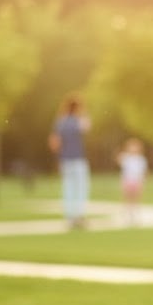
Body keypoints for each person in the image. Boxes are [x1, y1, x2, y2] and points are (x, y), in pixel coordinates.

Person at [48, 95, 90, 230]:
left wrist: (59, 157)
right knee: (81, 188)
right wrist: (83, 113)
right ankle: (79, 216)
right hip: (78, 159)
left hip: (65, 160)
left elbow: (54, 143)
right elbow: (88, 126)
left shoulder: (60, 122)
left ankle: (70, 217)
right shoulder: (78, 121)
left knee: (68, 189)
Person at [117, 137, 148, 226]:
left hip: (137, 182)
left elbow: (144, 171)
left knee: (136, 199)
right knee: (127, 199)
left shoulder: (141, 159)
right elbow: (119, 161)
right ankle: (126, 215)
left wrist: (144, 181)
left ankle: (135, 216)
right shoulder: (126, 158)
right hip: (127, 181)